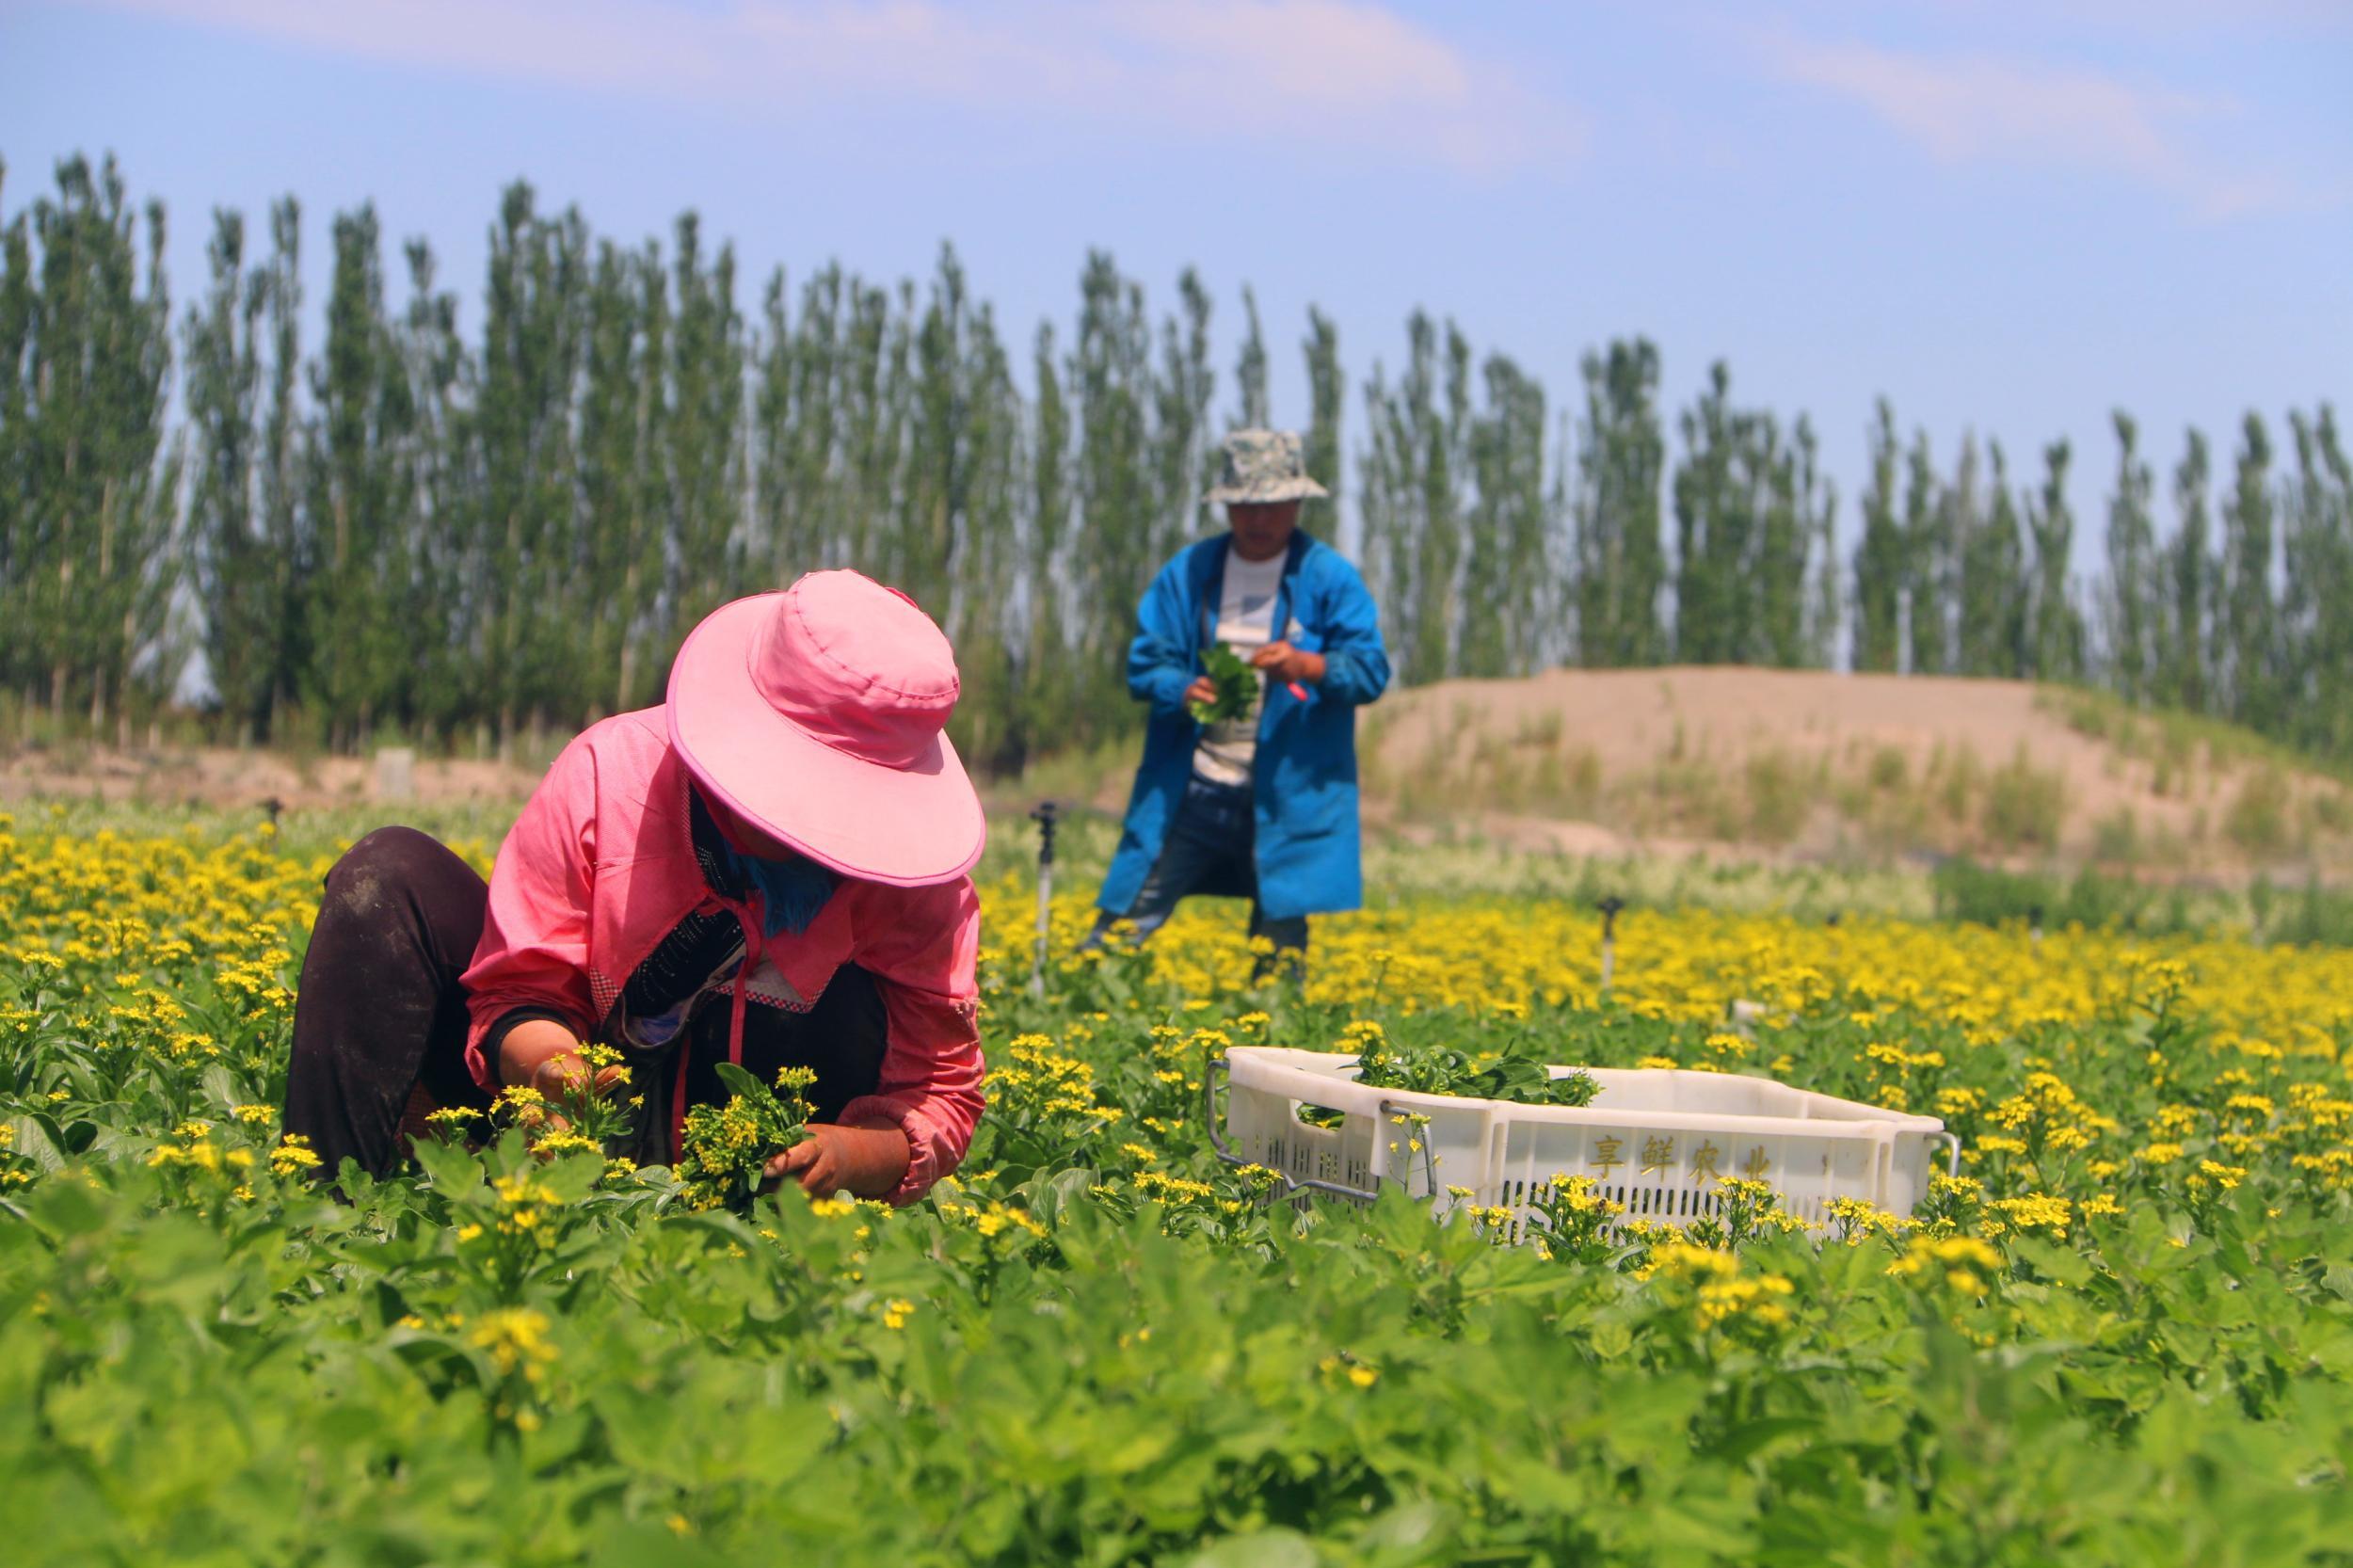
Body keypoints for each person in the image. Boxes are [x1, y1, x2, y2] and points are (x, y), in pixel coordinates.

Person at [280, 570, 985, 1206]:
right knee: (387, 874)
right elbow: (519, 991)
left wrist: (850, 1154)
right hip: (577, 1133)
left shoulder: (921, 888)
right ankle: (325, 1220)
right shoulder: (609, 777)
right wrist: (554, 1069)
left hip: (775, 1180)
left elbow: (941, 1093)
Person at [1090, 428, 1389, 973]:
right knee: (1124, 922)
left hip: (1289, 792)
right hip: (1195, 784)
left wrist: (1308, 666)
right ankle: (1085, 990)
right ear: (1227, 505)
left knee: (1279, 950)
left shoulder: (1330, 578)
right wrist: (1182, 690)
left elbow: (1370, 672)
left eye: (1272, 505)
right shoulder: (1189, 573)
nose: (1258, 519)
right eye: (1245, 505)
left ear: (1297, 502)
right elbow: (1144, 664)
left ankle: (1269, 1040)